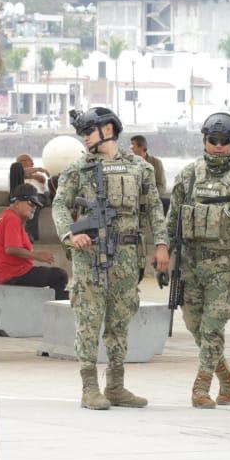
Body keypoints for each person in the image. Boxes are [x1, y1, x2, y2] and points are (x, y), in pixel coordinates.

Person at [52, 106, 168, 411]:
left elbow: (154, 208)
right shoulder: (77, 169)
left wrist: (161, 244)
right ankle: (89, 387)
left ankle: (115, 385)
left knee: (119, 321)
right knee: (88, 320)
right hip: (90, 256)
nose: (85, 138)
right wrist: (69, 235)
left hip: (127, 256)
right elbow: (60, 205)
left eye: (89, 131)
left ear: (108, 130)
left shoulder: (139, 168)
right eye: (83, 134)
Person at [159, 113, 230, 409]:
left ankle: (201, 386)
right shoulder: (189, 175)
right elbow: (173, 221)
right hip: (190, 264)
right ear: (204, 141)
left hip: (225, 265)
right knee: (195, 326)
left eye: (224, 142)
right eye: (212, 141)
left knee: (212, 328)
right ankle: (228, 378)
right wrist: (163, 255)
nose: (218, 147)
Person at [0, 184, 69, 300]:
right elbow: (11, 248)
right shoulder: (12, 218)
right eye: (31, 203)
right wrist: (37, 256)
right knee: (60, 276)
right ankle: (55, 310)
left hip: (5, 273)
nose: (34, 208)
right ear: (16, 202)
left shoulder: (3, 217)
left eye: (36, 205)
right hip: (13, 274)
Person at [130, 134, 168, 211]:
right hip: (132, 205)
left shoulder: (156, 163)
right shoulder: (129, 163)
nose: (131, 148)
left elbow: (161, 186)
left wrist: (147, 198)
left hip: (151, 206)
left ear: (141, 147)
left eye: (133, 146)